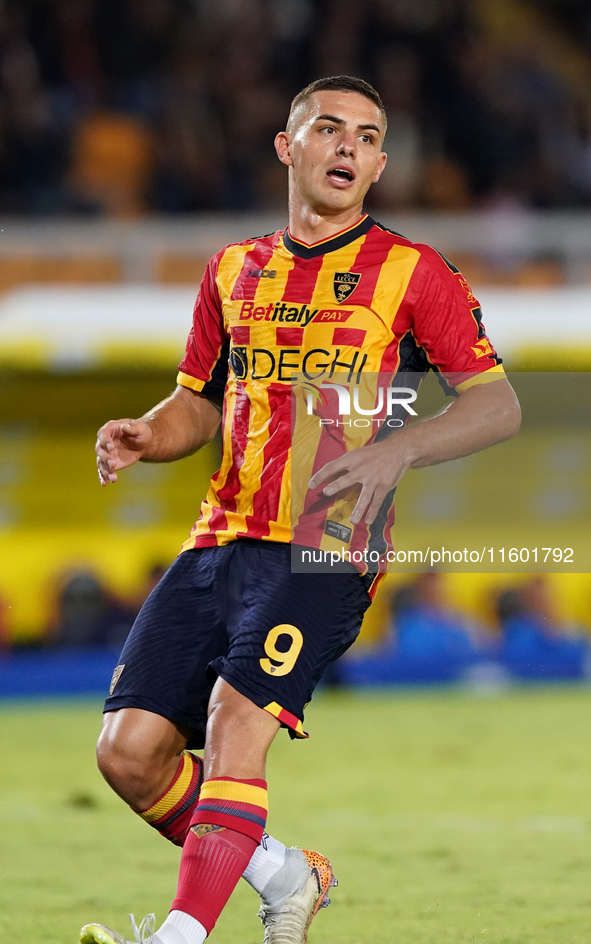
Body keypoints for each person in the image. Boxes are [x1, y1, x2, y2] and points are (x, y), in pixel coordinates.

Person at [81, 75, 521, 944]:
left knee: (235, 720)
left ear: (380, 163)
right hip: (219, 539)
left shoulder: (413, 273)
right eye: (329, 128)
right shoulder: (232, 270)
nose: (348, 146)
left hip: (327, 549)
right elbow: (199, 402)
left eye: (366, 135)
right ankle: (286, 872)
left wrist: (400, 445)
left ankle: (181, 936)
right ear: (289, 147)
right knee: (128, 755)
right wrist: (147, 432)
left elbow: (497, 405)